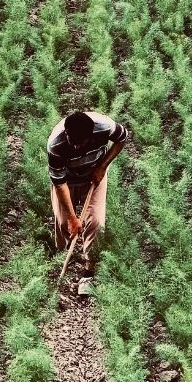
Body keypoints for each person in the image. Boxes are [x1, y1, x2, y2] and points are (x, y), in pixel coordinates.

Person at [47, 111, 128, 275]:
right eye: (72, 142)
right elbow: (59, 183)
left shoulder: (105, 127)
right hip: (67, 181)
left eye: (80, 143)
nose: (76, 147)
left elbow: (122, 138)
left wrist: (102, 167)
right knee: (63, 222)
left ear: (90, 135)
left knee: (96, 222)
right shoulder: (55, 144)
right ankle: (61, 255)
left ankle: (89, 268)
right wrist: (72, 218)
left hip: (94, 176)